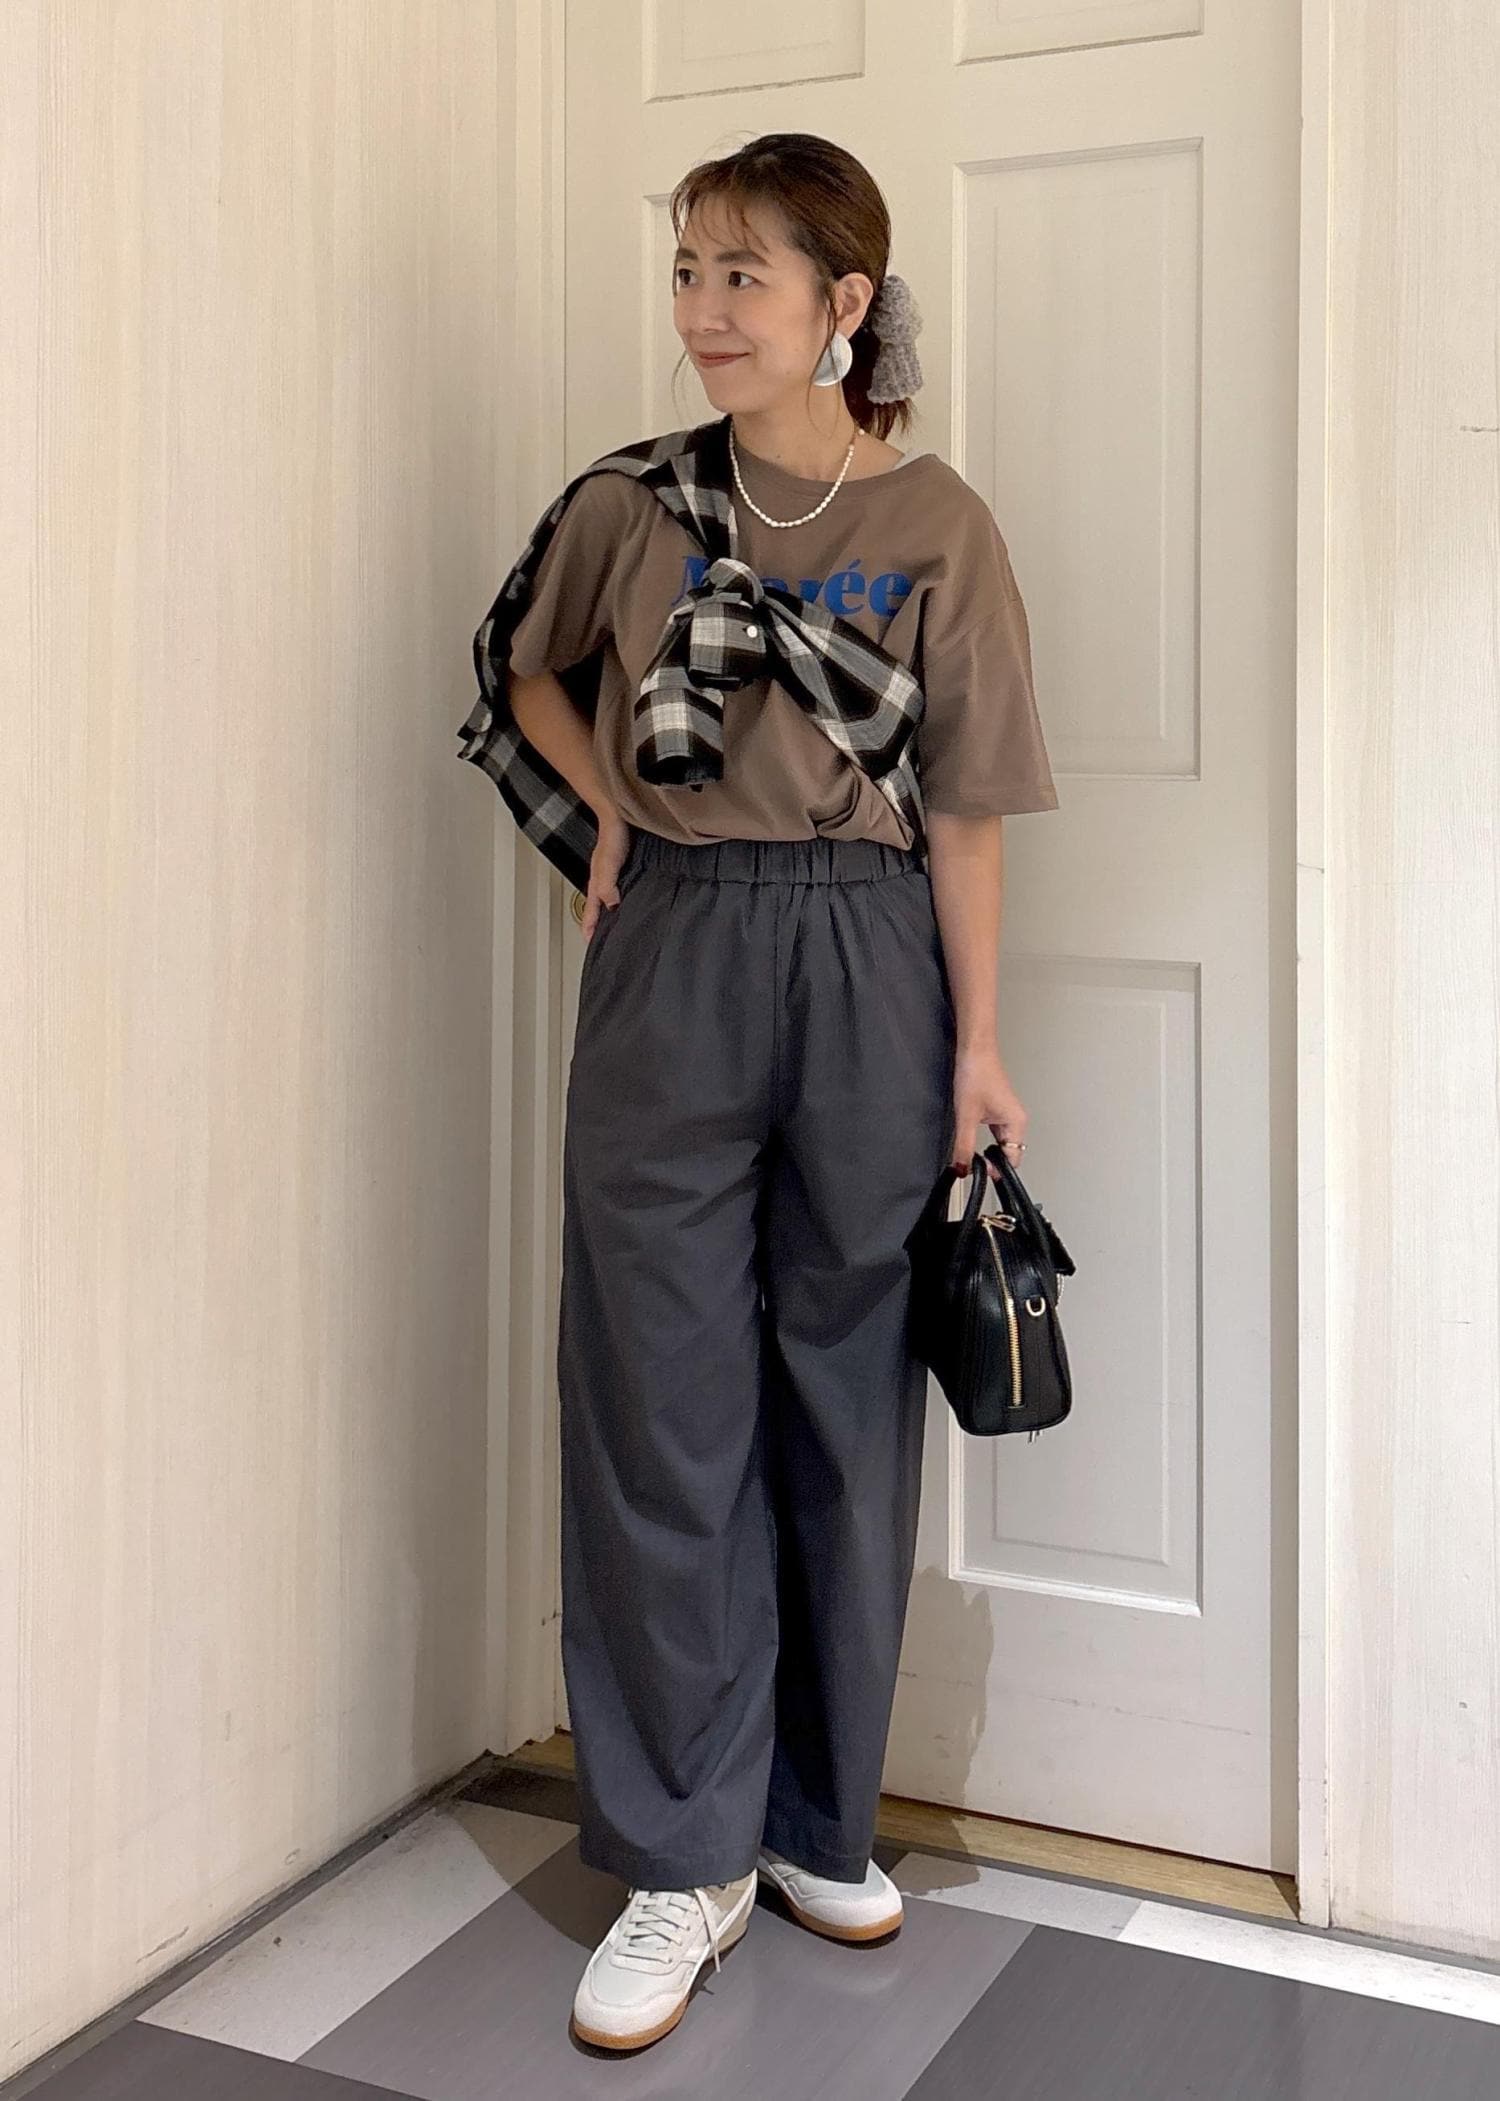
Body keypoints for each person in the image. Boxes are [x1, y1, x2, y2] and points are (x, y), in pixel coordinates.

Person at [466, 132, 1058, 2053]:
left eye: (746, 273)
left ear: (843, 301)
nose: (707, 310)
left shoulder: (942, 524)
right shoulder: (634, 503)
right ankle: (679, 1851)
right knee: (658, 1390)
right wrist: (610, 822)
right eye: (690, 270)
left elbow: (965, 811)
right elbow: (523, 670)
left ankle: (813, 1815)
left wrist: (978, 1045)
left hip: (872, 953)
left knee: (844, 1388)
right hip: (680, 951)